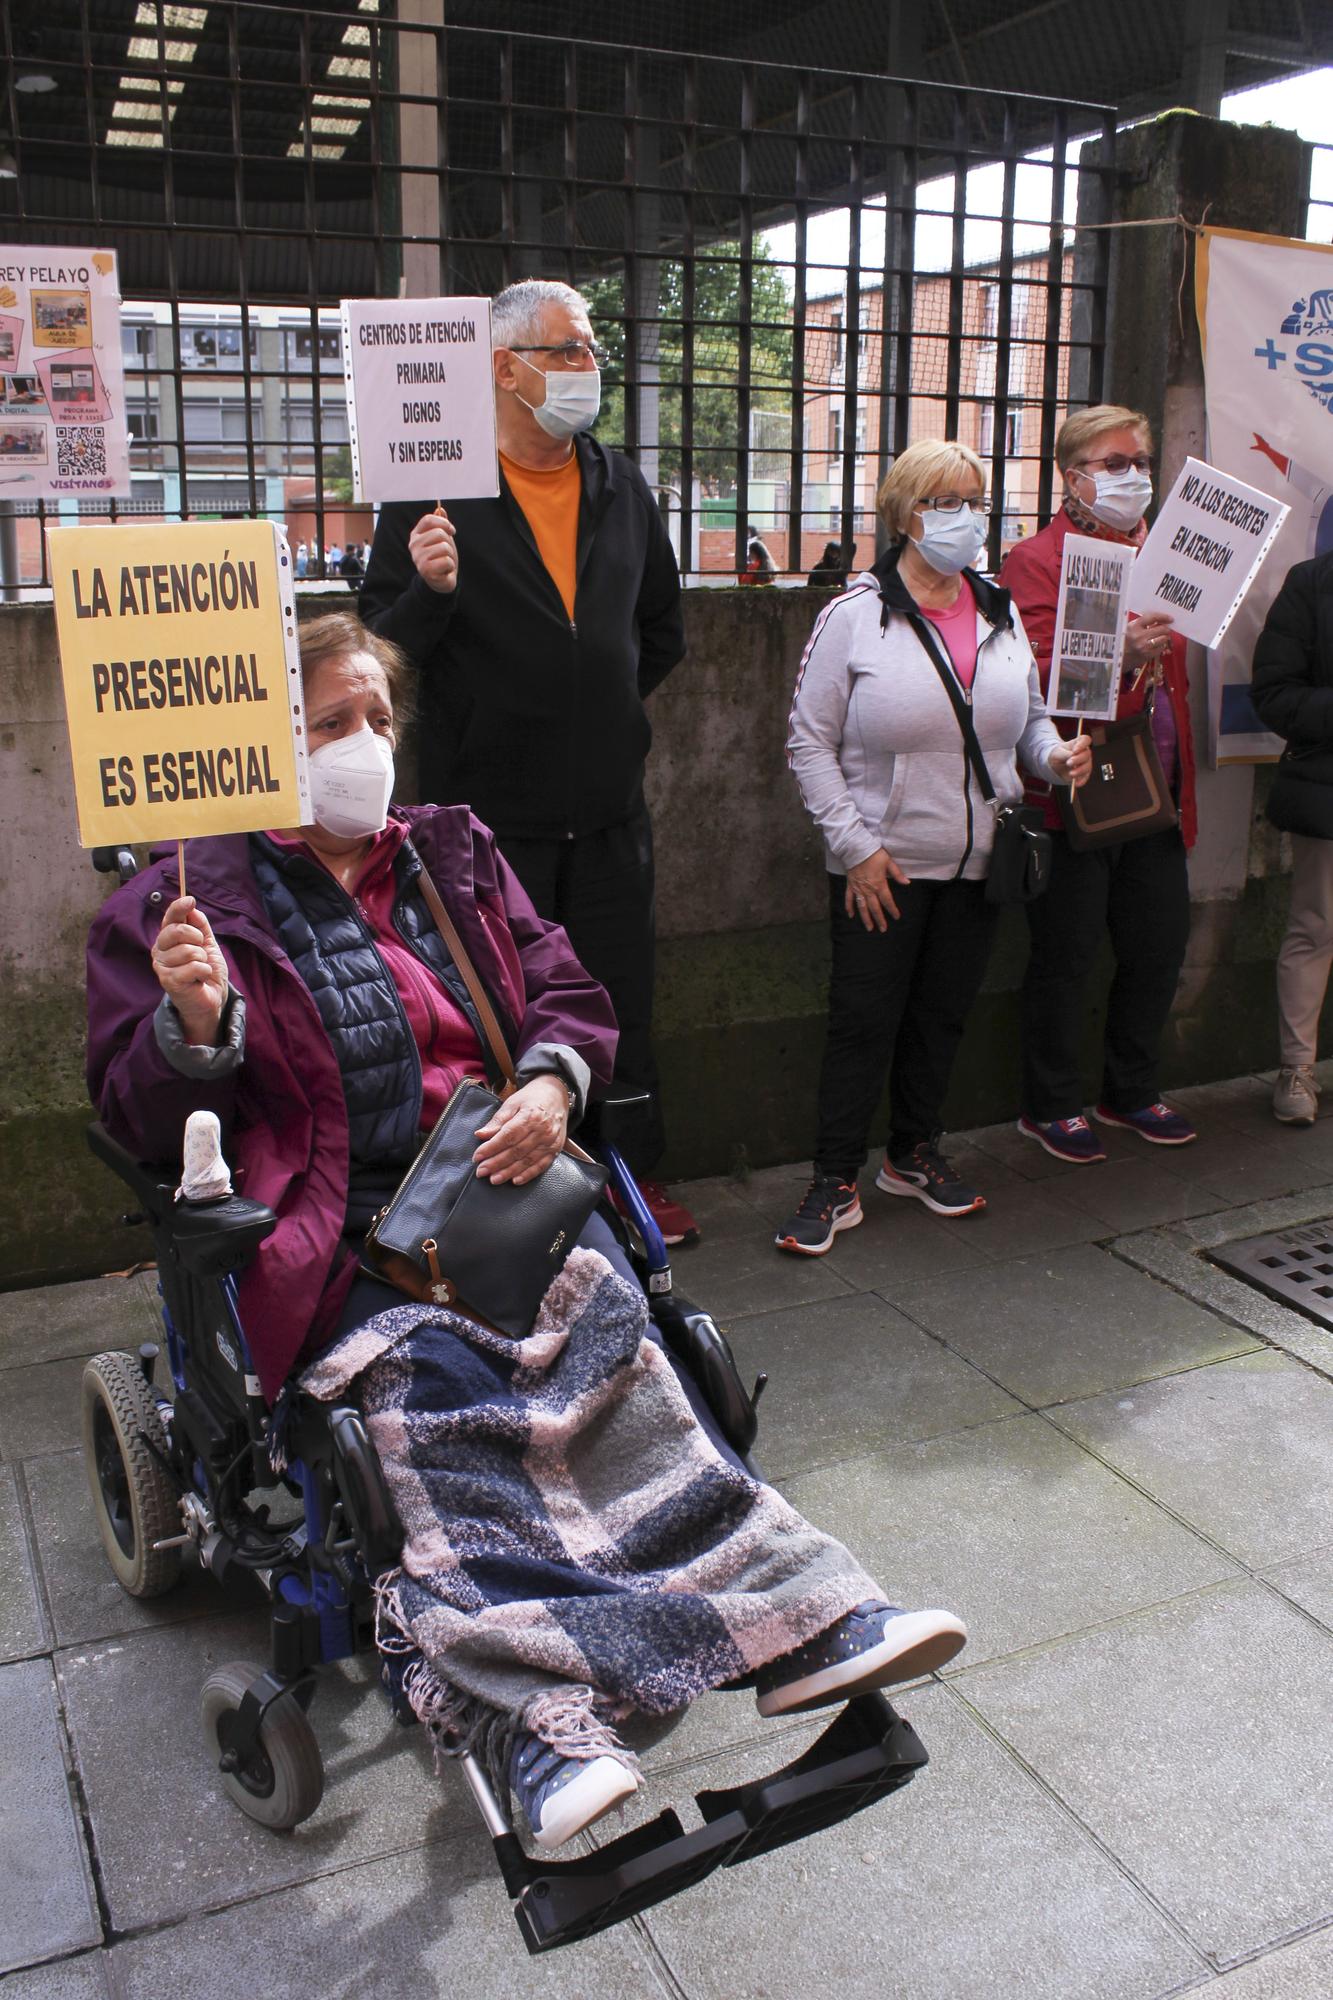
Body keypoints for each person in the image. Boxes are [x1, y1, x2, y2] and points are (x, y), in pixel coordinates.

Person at [85, 610, 967, 1851]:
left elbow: (563, 986)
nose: (362, 744)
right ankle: (532, 1720)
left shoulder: (447, 850)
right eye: (329, 722)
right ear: (256, 743)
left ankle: (800, 1613)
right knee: (440, 1394)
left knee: (619, 1344)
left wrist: (553, 1083)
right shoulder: (183, 901)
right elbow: (135, 1111)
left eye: (377, 719)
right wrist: (192, 1026)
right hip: (334, 1228)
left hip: (499, 1192)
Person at [360, 279, 698, 1247]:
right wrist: (427, 589)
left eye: (590, 350)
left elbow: (659, 633)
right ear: (503, 368)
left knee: (620, 1004)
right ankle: (516, 1198)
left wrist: (596, 706)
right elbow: (385, 658)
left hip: (607, 812)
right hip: (489, 822)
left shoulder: (620, 484)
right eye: (568, 349)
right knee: (504, 1014)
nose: (588, 367)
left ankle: (630, 1177)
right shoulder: (434, 494)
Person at [778, 439, 1091, 1254]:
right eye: (945, 501)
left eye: (974, 499)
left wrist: (1055, 759)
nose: (964, 517)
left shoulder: (997, 607)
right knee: (861, 1021)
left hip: (980, 862)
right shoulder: (853, 615)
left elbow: (1024, 722)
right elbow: (808, 744)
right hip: (882, 866)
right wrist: (854, 848)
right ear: (905, 514)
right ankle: (833, 1177)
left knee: (941, 1015)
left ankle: (913, 1153)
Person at [998, 405, 1197, 1163]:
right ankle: (1049, 1105)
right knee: (1066, 953)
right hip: (1075, 791)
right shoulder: (1038, 560)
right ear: (1070, 475)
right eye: (1115, 463)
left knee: (1156, 945)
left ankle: (1130, 1091)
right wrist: (1119, 654)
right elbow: (1038, 685)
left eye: (1141, 462)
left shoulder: (1162, 550)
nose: (1134, 476)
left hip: (1158, 786)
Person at [1250, 551, 1333, 1124]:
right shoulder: (1313, 583)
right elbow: (1274, 694)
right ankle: (1297, 1069)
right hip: (1327, 786)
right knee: (1316, 924)